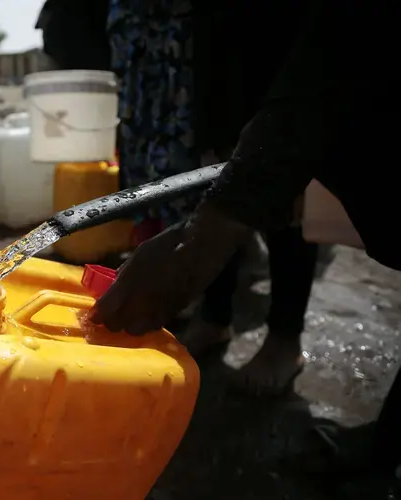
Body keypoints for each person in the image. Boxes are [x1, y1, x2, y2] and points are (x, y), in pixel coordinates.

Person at [91, 0, 399, 475]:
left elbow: (340, 47)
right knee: (244, 168)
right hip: (228, 60)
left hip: (297, 56)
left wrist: (201, 241)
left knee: (278, 182)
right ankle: (216, 317)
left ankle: (284, 338)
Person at [188, 0, 318, 394]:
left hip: (280, 47)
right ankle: (214, 315)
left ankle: (284, 338)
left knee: (286, 193)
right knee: (217, 178)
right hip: (220, 49)